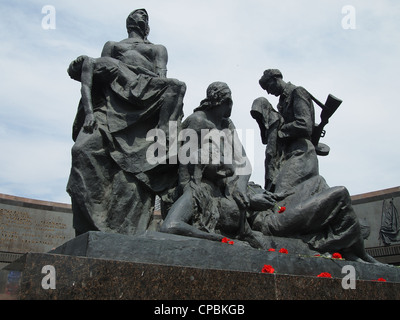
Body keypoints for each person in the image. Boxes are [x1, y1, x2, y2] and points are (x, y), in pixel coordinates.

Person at [67, 9, 186, 236]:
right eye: (136, 14)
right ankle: (93, 226)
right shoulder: (112, 45)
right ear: (128, 22)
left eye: (144, 15)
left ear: (147, 25)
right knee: (82, 149)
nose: (140, 15)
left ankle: (162, 135)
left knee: (177, 85)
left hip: (144, 100)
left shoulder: (157, 49)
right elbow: (96, 78)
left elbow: (161, 77)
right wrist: (90, 113)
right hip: (112, 103)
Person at [250, 69, 378, 262]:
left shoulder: (297, 92)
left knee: (285, 199)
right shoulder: (282, 101)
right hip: (290, 154)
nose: (269, 91)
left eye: (269, 86)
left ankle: (331, 242)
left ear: (276, 79)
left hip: (301, 154)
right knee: (287, 199)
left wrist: (280, 130)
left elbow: (304, 125)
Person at [160, 82, 252, 242]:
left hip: (226, 186)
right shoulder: (198, 120)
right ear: (226, 101)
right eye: (230, 101)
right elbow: (185, 160)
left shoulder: (227, 124)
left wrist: (241, 189)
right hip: (198, 182)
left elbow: (243, 162)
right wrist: (190, 190)